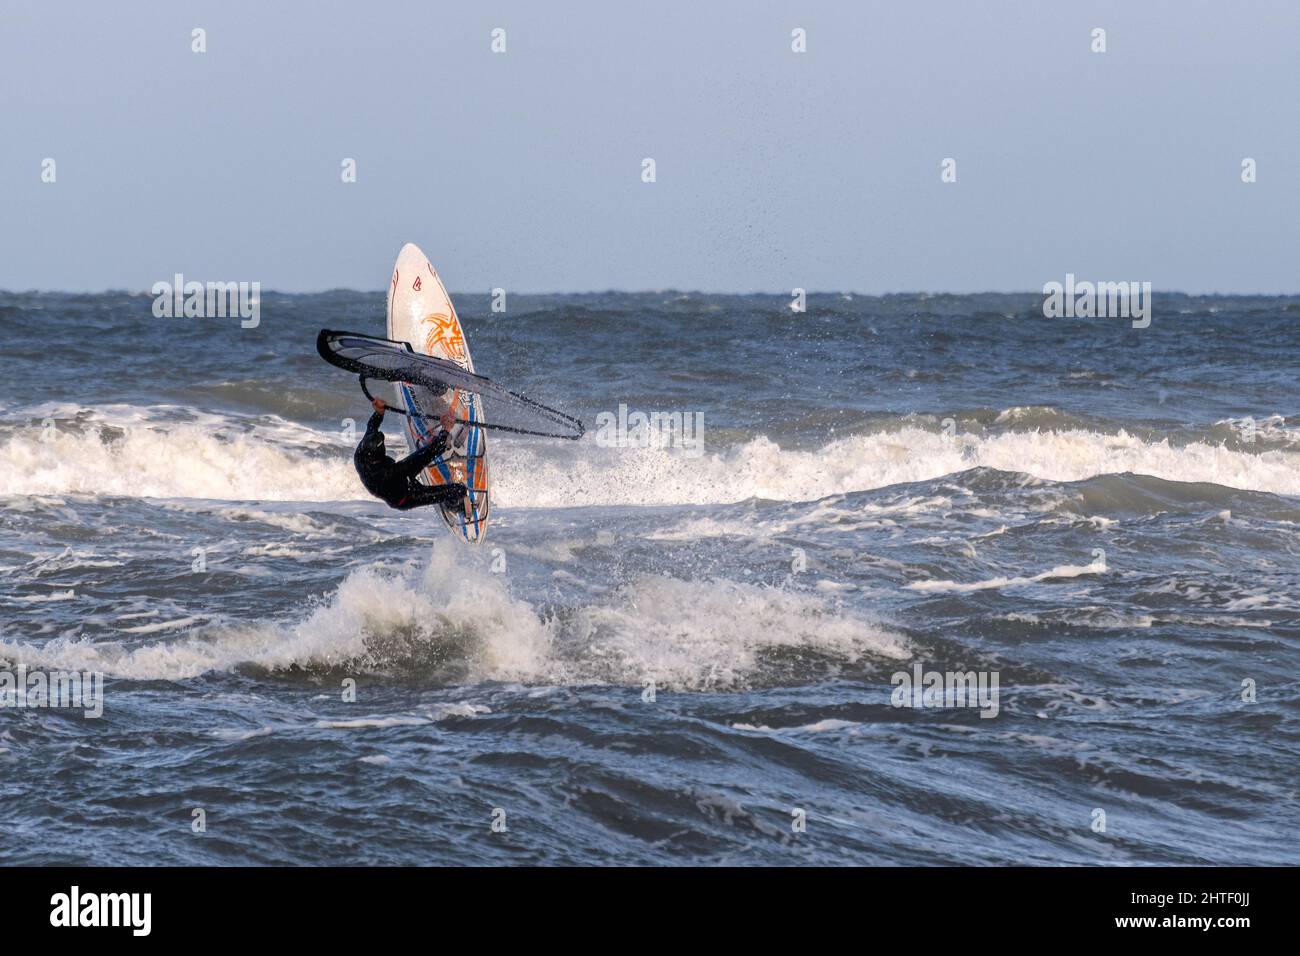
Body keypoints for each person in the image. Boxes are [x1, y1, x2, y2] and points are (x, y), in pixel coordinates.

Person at [354, 398, 467, 510]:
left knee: (430, 451)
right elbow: (424, 457)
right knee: (458, 490)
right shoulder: (385, 474)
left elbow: (371, 428)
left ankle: (442, 442)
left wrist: (378, 412)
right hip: (406, 496)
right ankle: (453, 505)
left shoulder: (361, 452)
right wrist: (445, 430)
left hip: (400, 478)